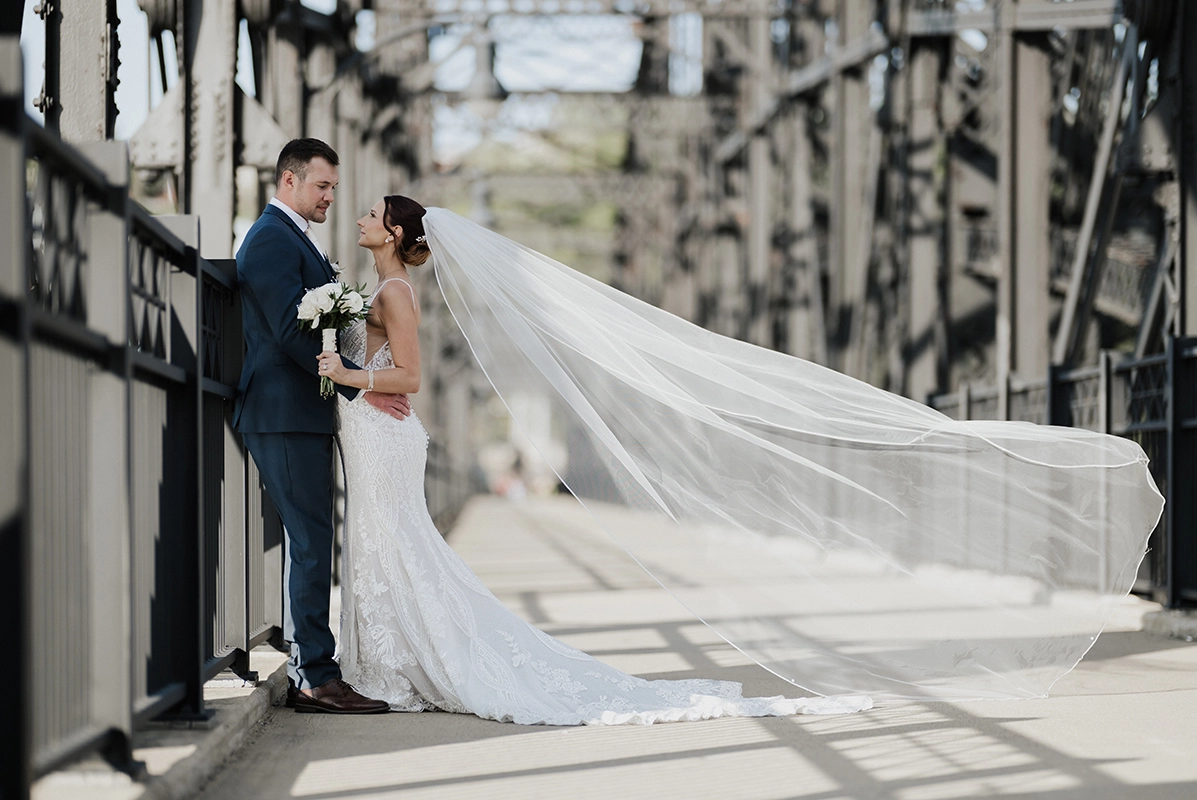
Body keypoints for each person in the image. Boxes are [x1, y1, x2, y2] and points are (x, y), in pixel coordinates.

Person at [316, 196, 872, 724]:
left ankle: (393, 669)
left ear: (393, 233)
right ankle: (382, 664)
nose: (360, 217)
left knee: (391, 540)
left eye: (372, 214)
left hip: (385, 438)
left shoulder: (395, 291)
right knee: (383, 541)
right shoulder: (383, 286)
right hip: (373, 431)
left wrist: (347, 375)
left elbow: (409, 376)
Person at [234, 140, 411, 714]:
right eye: (322, 187)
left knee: (311, 540)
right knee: (310, 542)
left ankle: (312, 665)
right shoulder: (268, 241)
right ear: (289, 180)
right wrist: (360, 386)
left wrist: (360, 384)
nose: (331, 197)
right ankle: (314, 675)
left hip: (301, 413)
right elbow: (291, 330)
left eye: (333, 188)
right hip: (282, 412)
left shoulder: (290, 238)